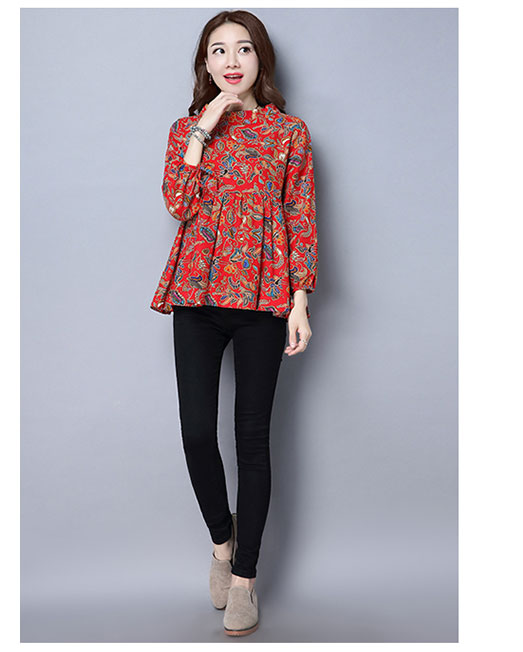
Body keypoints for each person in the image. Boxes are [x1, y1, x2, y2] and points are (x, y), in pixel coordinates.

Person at [149, 9, 317, 637]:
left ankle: (244, 578)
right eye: (218, 50)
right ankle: (223, 542)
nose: (231, 61)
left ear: (259, 58)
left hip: (262, 300)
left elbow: (301, 215)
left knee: (252, 439)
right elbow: (177, 204)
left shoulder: (288, 132)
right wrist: (204, 127)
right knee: (197, 433)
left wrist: (300, 301)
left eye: (242, 48)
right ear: (205, 62)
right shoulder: (186, 129)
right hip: (197, 294)